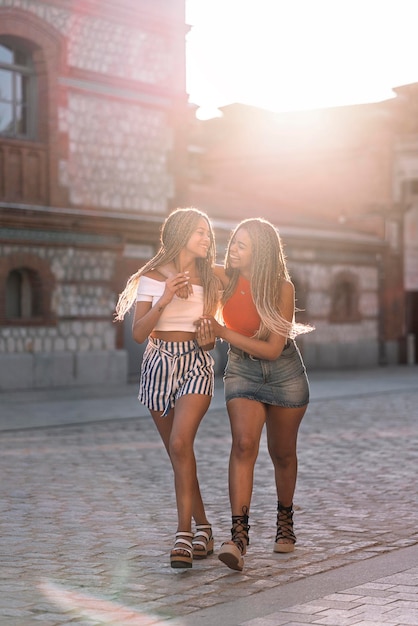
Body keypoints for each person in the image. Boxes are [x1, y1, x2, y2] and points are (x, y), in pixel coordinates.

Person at [196, 218, 313, 572]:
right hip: (243, 370)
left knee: (282, 453)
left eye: (241, 246)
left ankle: (285, 523)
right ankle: (239, 535)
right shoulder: (224, 278)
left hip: (284, 372)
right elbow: (190, 264)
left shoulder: (282, 287)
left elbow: (274, 349)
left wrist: (220, 331)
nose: (232, 249)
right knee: (244, 444)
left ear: (259, 252)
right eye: (233, 243)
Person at [114, 208, 221, 569]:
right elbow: (139, 333)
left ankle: (184, 536)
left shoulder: (211, 280)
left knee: (180, 443)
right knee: (180, 454)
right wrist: (165, 297)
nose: (207, 239)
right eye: (200, 232)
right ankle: (204, 525)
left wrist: (208, 340)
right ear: (179, 234)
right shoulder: (151, 277)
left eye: (208, 234)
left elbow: (209, 338)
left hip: (196, 363)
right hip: (159, 362)